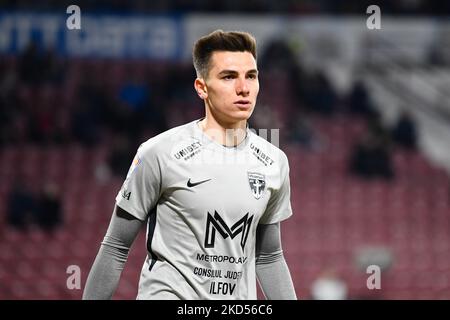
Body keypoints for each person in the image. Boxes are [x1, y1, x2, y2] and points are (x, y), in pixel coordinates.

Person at [83, 30, 297, 300]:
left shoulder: (274, 162)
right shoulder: (158, 153)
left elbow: (269, 257)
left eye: (251, 76)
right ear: (202, 87)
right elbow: (115, 246)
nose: (243, 88)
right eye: (229, 76)